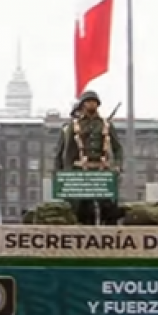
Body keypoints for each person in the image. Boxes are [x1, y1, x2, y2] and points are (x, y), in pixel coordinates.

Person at [60, 90, 122, 225]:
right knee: (83, 209)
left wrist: (117, 165)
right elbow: (68, 151)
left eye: (94, 102)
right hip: (81, 171)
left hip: (102, 171)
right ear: (83, 105)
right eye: (88, 102)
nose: (91, 104)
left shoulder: (106, 125)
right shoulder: (74, 125)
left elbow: (117, 148)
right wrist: (68, 172)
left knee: (109, 207)